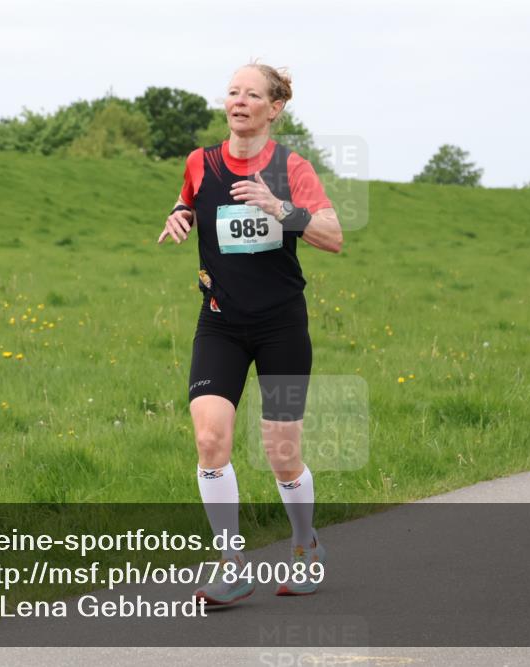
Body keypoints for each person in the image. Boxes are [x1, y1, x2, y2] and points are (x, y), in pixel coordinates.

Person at [158, 63, 343, 604]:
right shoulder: (201, 161)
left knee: (281, 452)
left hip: (281, 325)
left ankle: (307, 546)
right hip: (220, 321)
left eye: (252, 94)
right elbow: (191, 198)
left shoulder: (292, 167)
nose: (239, 101)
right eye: (233, 92)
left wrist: (280, 208)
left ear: (274, 107)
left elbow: (333, 236)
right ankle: (232, 561)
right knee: (210, 439)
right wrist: (179, 214)